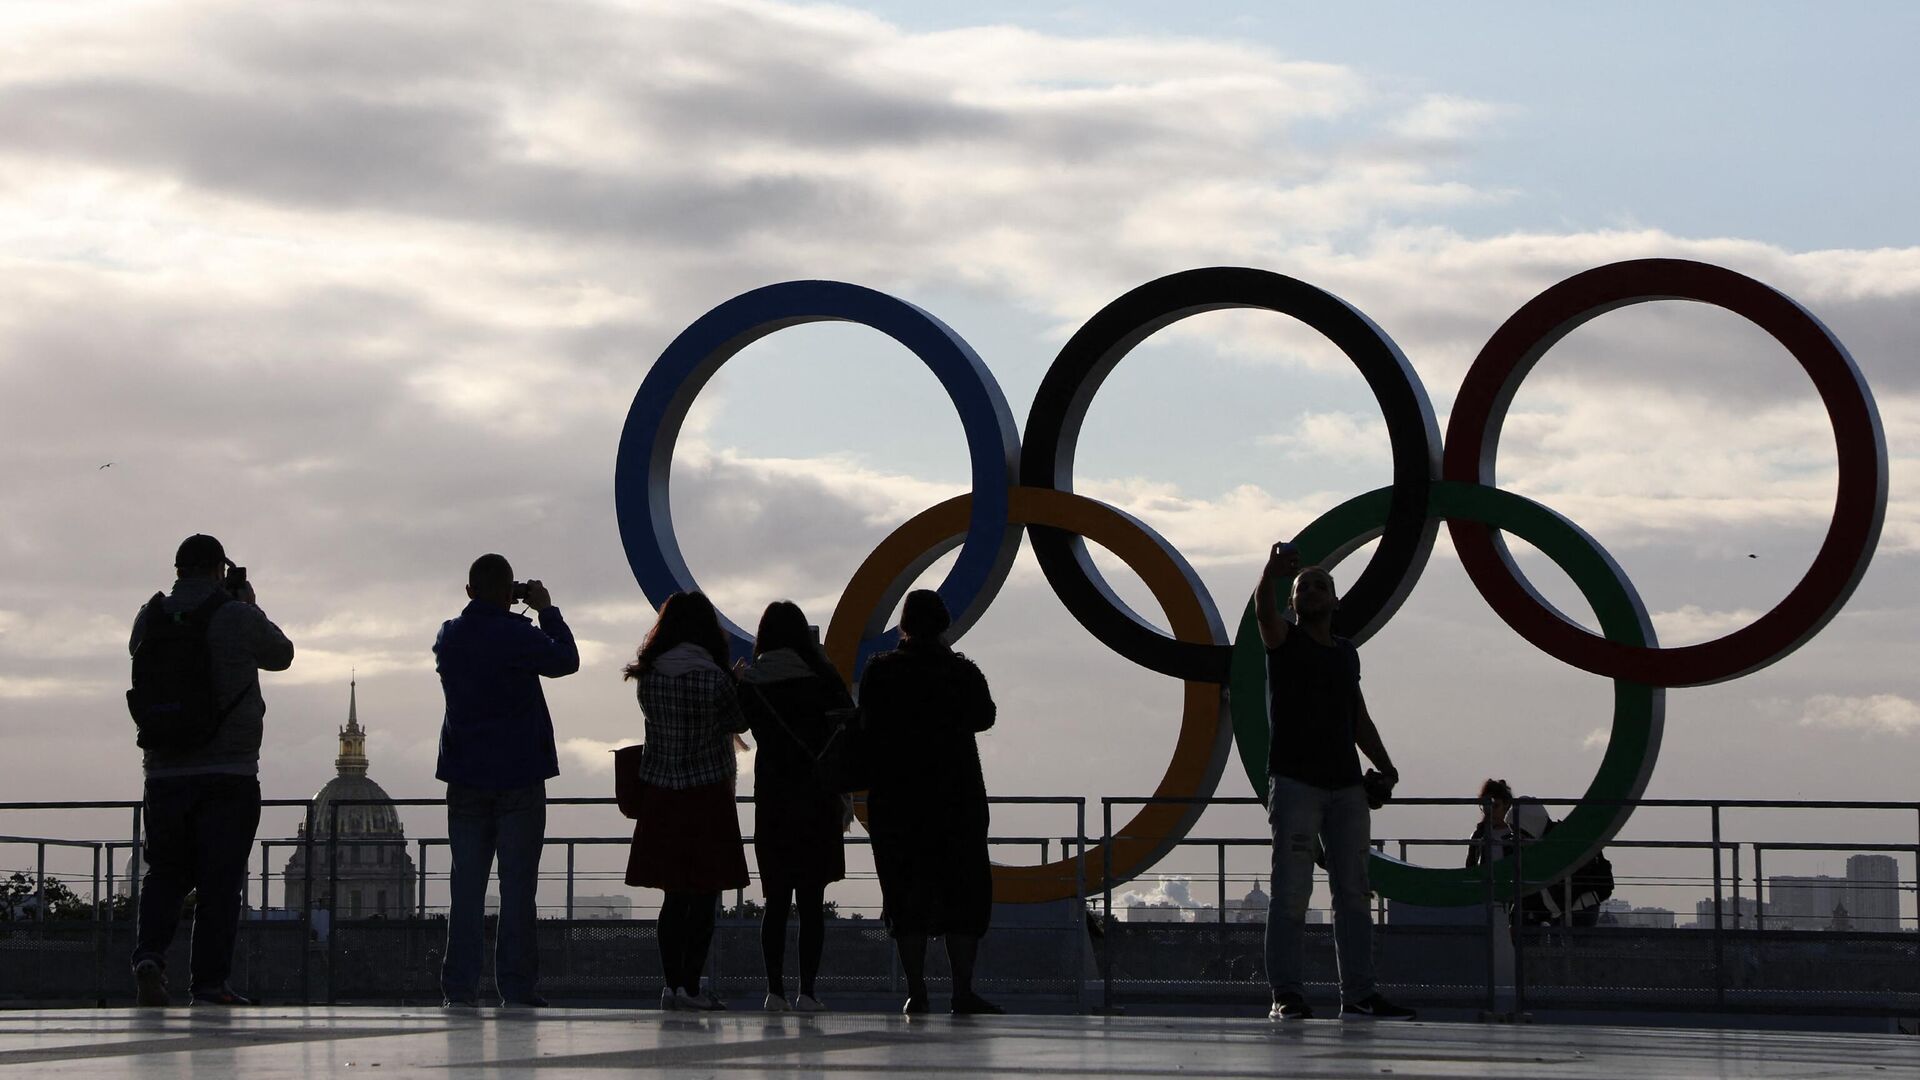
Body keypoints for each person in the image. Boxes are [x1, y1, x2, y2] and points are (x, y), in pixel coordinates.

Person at [127, 534, 294, 1006]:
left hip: (163, 769)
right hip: (228, 769)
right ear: (220, 570)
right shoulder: (237, 617)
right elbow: (282, 654)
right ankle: (209, 983)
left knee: (164, 873)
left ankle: (149, 959)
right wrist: (247, 605)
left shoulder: (149, 616)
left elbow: (137, 655)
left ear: (178, 568)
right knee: (220, 882)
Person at [1255, 541, 1415, 1021]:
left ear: (1335, 600)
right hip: (1296, 782)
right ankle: (1286, 994)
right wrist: (1270, 572)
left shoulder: (1346, 654)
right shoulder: (1284, 641)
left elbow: (1358, 716)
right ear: (1292, 602)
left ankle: (1360, 996)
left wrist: (1386, 767)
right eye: (1304, 587)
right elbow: (1262, 611)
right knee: (1290, 892)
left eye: (1321, 585)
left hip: (1346, 787)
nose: (1312, 591)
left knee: (1353, 892)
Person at [433, 553, 578, 1008]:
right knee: (518, 890)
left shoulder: (448, 636)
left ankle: (460, 988)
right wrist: (546, 610)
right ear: (509, 590)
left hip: (465, 776)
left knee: (467, 889)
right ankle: (515, 987)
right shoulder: (519, 634)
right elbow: (566, 660)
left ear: (469, 591)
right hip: (519, 774)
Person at [858, 589, 1000, 1016]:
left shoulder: (880, 672)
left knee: (905, 894)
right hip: (957, 797)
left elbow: (866, 722)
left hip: (897, 799)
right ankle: (962, 989)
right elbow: (985, 716)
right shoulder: (961, 672)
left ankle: (916, 991)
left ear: (904, 624)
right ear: (943, 625)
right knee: (963, 894)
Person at [623, 591, 752, 1011]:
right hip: (708, 794)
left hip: (661, 794)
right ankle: (692, 986)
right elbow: (739, 722)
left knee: (673, 895)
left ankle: (671, 985)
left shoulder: (649, 676)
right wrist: (736, 681)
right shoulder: (714, 678)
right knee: (703, 896)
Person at [736, 601, 852, 1013]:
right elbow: (847, 721)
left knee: (777, 901)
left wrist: (738, 681)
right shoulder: (821, 678)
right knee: (811, 902)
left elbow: (735, 723)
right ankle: (809, 992)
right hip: (817, 797)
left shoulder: (752, 682)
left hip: (773, 799)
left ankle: (774, 991)